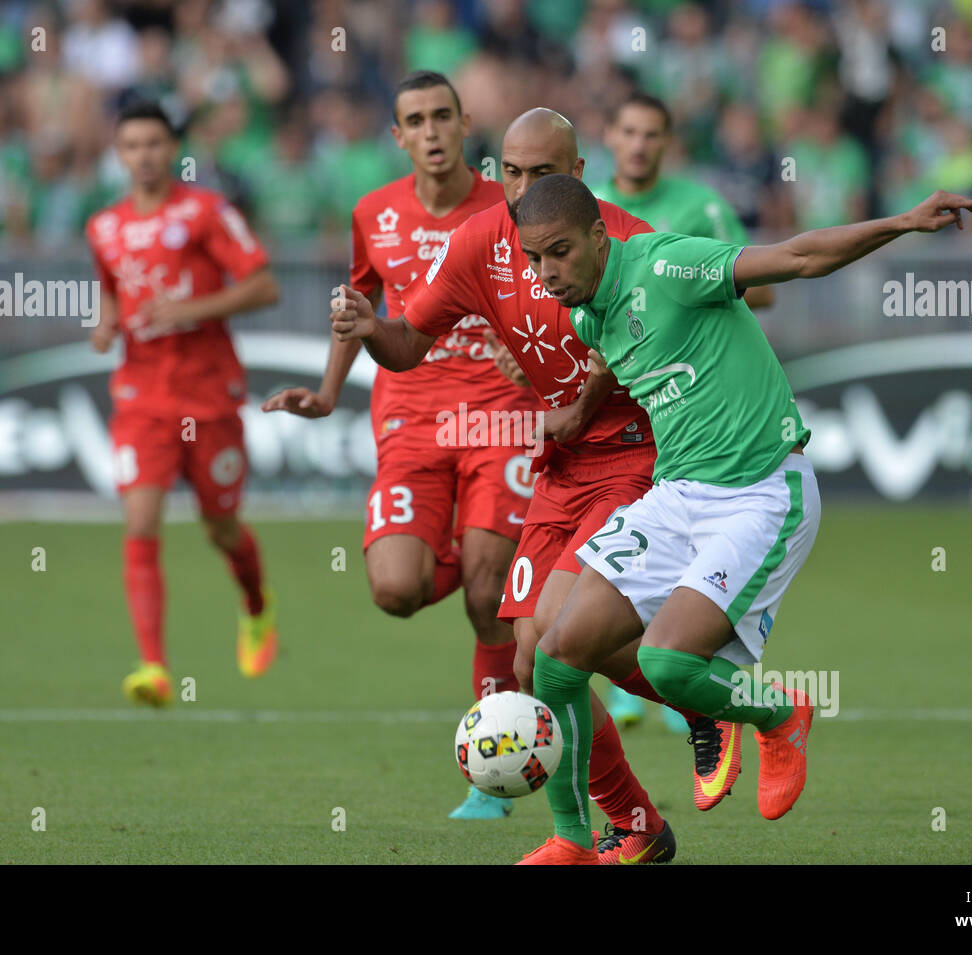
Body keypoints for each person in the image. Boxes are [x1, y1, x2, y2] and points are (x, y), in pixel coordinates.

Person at [510, 173, 972, 863]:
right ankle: (574, 840)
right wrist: (580, 410)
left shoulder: (667, 263)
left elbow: (795, 258)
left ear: (598, 235)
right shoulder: (590, 314)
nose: (547, 273)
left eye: (559, 252)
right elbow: (619, 357)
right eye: (534, 259)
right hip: (677, 497)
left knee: (667, 663)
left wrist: (903, 222)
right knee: (554, 658)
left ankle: (780, 714)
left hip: (761, 493)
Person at [327, 108, 747, 865]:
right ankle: (641, 816)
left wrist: (586, 396)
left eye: (542, 174)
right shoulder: (481, 242)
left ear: (579, 174)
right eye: (511, 173)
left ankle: (699, 717)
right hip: (558, 468)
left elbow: (678, 330)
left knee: (555, 641)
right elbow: (409, 344)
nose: (521, 190)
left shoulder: (629, 238)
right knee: (533, 661)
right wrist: (367, 326)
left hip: (633, 457)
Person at [264, 72, 536, 821]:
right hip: (410, 417)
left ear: (465, 121)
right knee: (396, 590)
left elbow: (556, 291)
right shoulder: (372, 213)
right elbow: (357, 310)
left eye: (443, 116)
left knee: (489, 596)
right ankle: (486, 560)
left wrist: (540, 364)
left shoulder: (510, 207)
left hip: (499, 415)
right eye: (415, 120)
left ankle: (492, 774)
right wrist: (325, 392)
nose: (431, 131)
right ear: (398, 136)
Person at [86, 100, 281, 705]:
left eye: (153, 144)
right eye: (131, 146)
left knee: (220, 527)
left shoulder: (206, 212)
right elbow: (112, 293)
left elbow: (264, 285)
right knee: (140, 523)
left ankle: (255, 604)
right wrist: (105, 323)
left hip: (208, 393)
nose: (143, 156)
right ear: (119, 155)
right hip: (142, 399)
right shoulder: (104, 227)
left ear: (173, 150)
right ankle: (153, 667)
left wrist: (189, 311)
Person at [594, 89, 771, 732]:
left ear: (667, 142)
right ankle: (641, 680)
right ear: (607, 136)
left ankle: (683, 672)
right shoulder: (591, 220)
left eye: (652, 134)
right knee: (633, 533)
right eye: (628, 130)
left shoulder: (697, 208)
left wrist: (685, 297)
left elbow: (762, 286)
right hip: (622, 401)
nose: (639, 144)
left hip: (693, 404)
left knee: (694, 527)